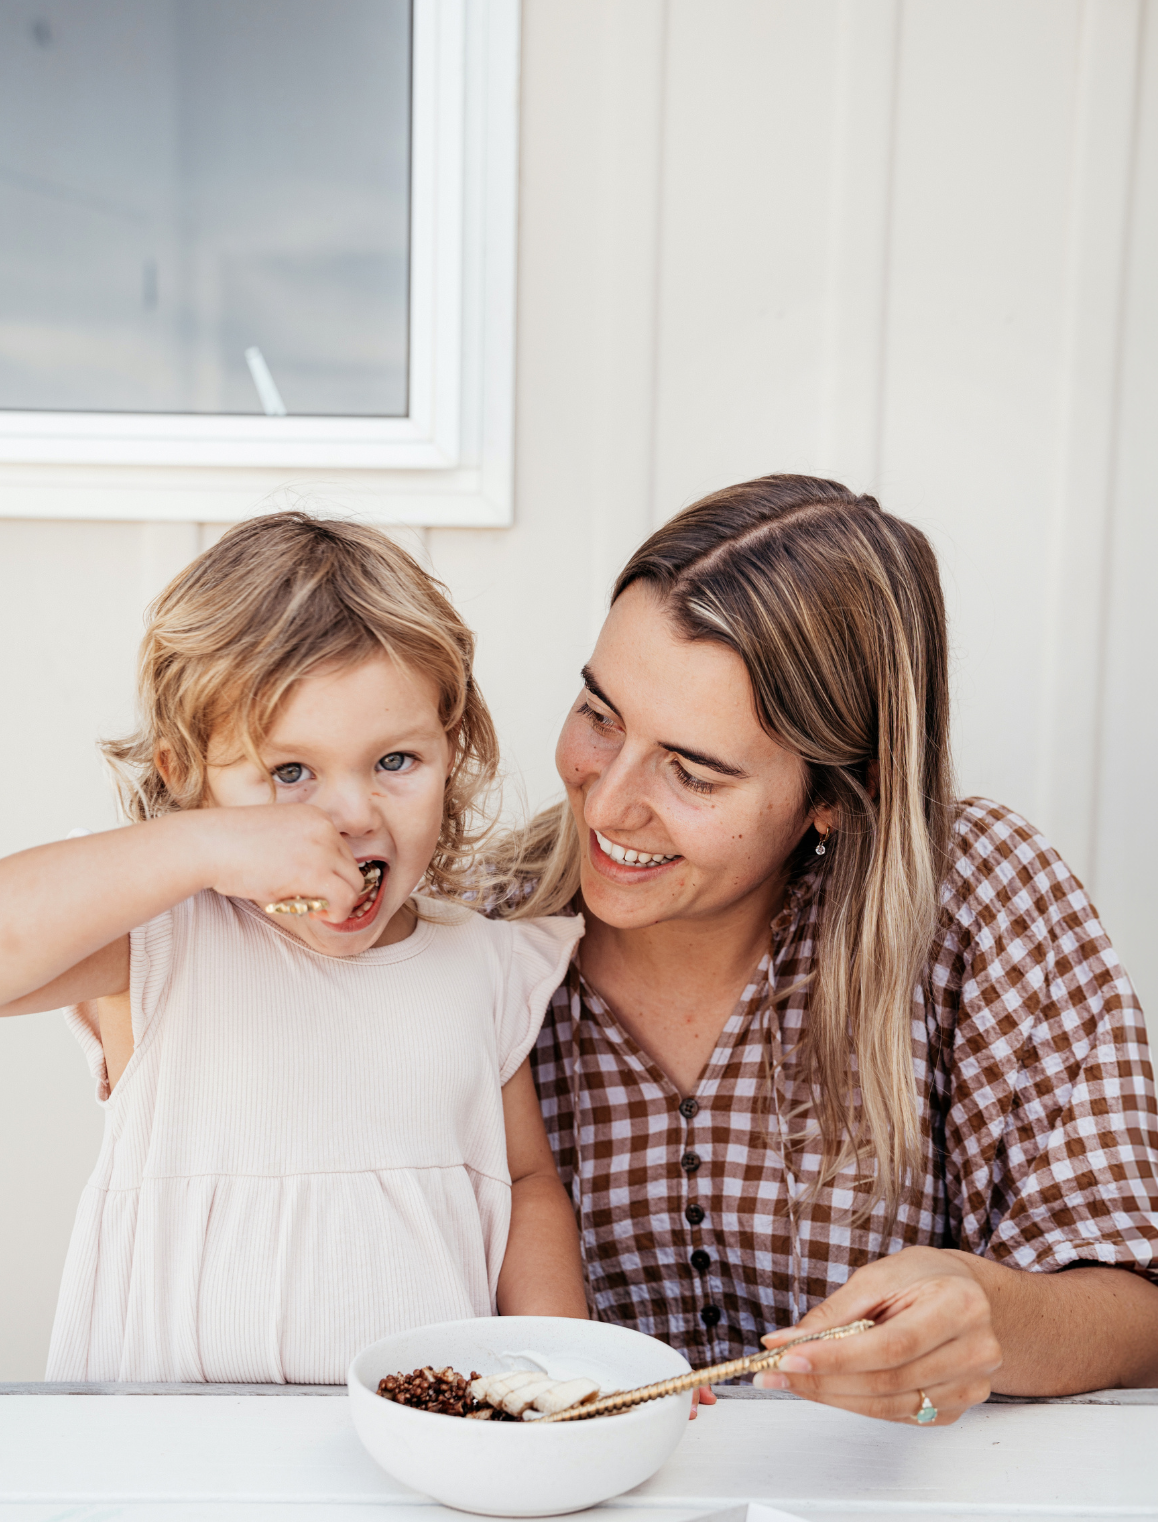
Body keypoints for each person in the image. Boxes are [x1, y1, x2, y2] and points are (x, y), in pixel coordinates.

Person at [493, 475, 1158, 1424]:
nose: (605, 804)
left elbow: (1138, 1312)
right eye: (600, 715)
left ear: (837, 797)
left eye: (691, 771)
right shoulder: (473, 935)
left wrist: (987, 1312)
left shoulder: (982, 900)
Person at [0, 514, 587, 1383]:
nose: (349, 813)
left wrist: (564, 1359)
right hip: (166, 1442)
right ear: (189, 777)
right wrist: (200, 847)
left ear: (450, 750)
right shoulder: (165, 937)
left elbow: (525, 1183)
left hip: (408, 1442)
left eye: (395, 760)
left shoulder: (482, 966)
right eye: (288, 773)